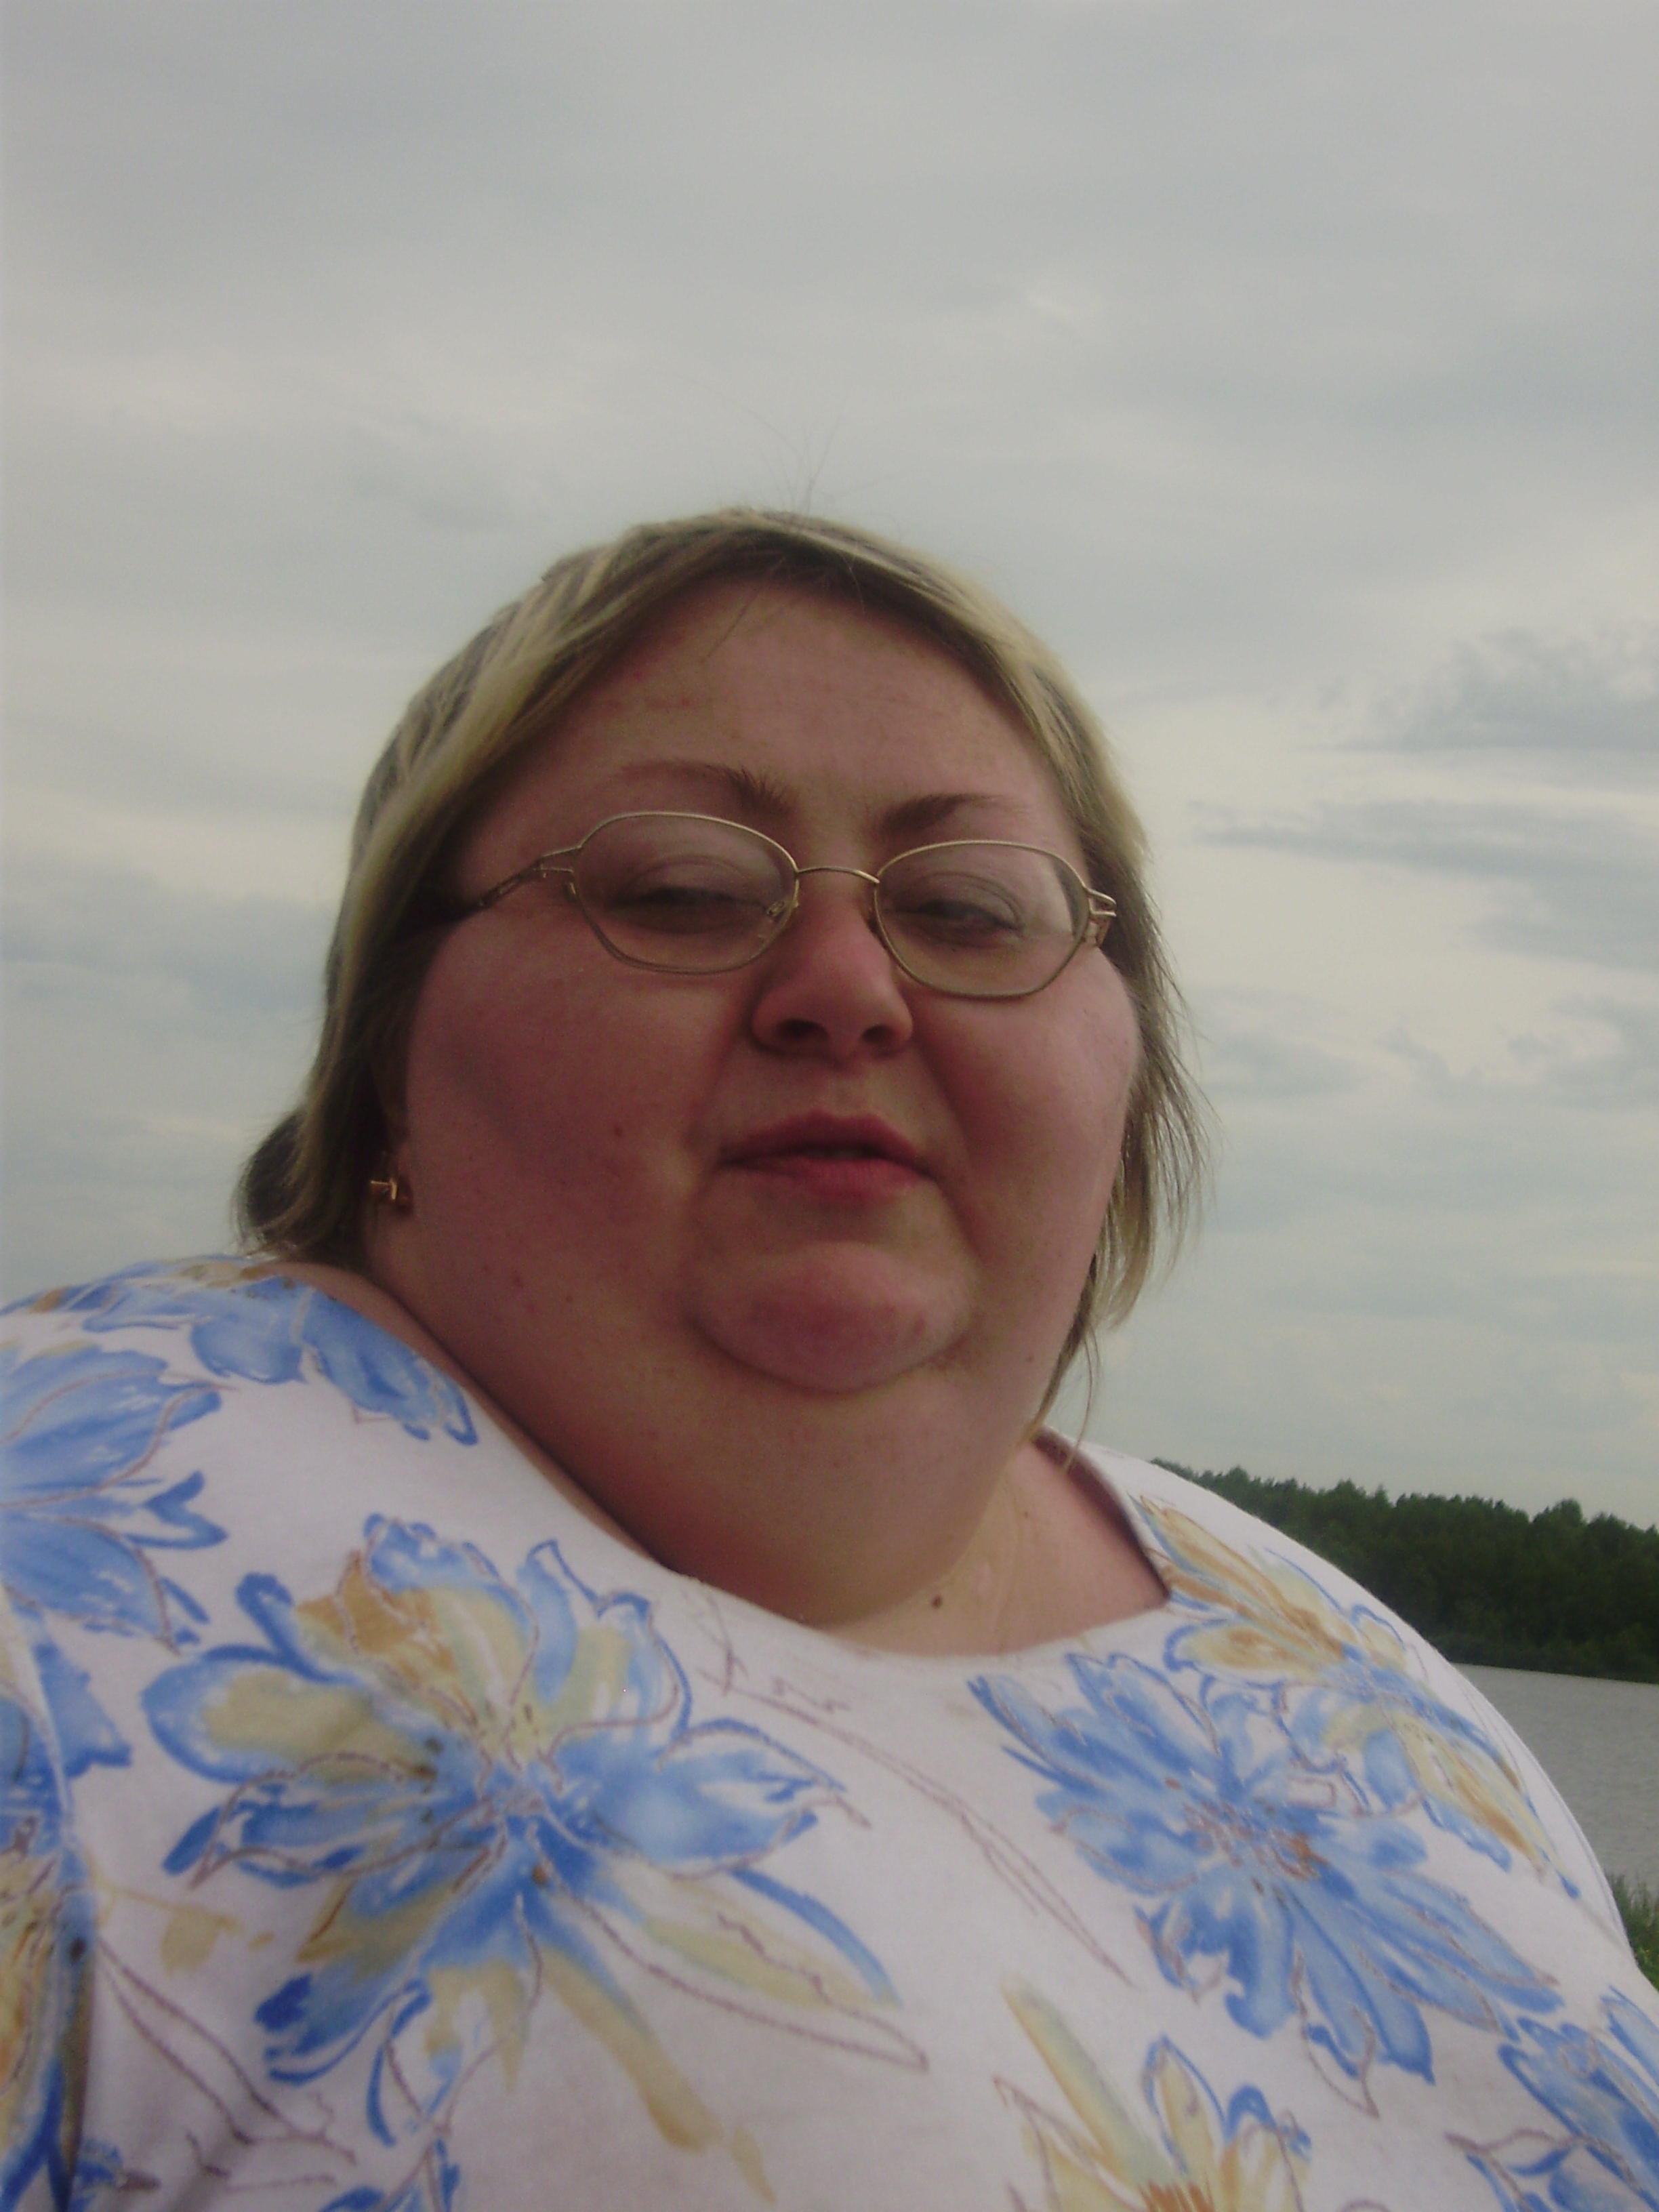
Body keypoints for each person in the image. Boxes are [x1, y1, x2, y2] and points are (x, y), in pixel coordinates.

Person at [3, 512, 1654, 2212]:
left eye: (972, 909)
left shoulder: (1348, 1670)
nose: (849, 989)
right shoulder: (55, 1578)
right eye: (682, 890)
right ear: (385, 1056)